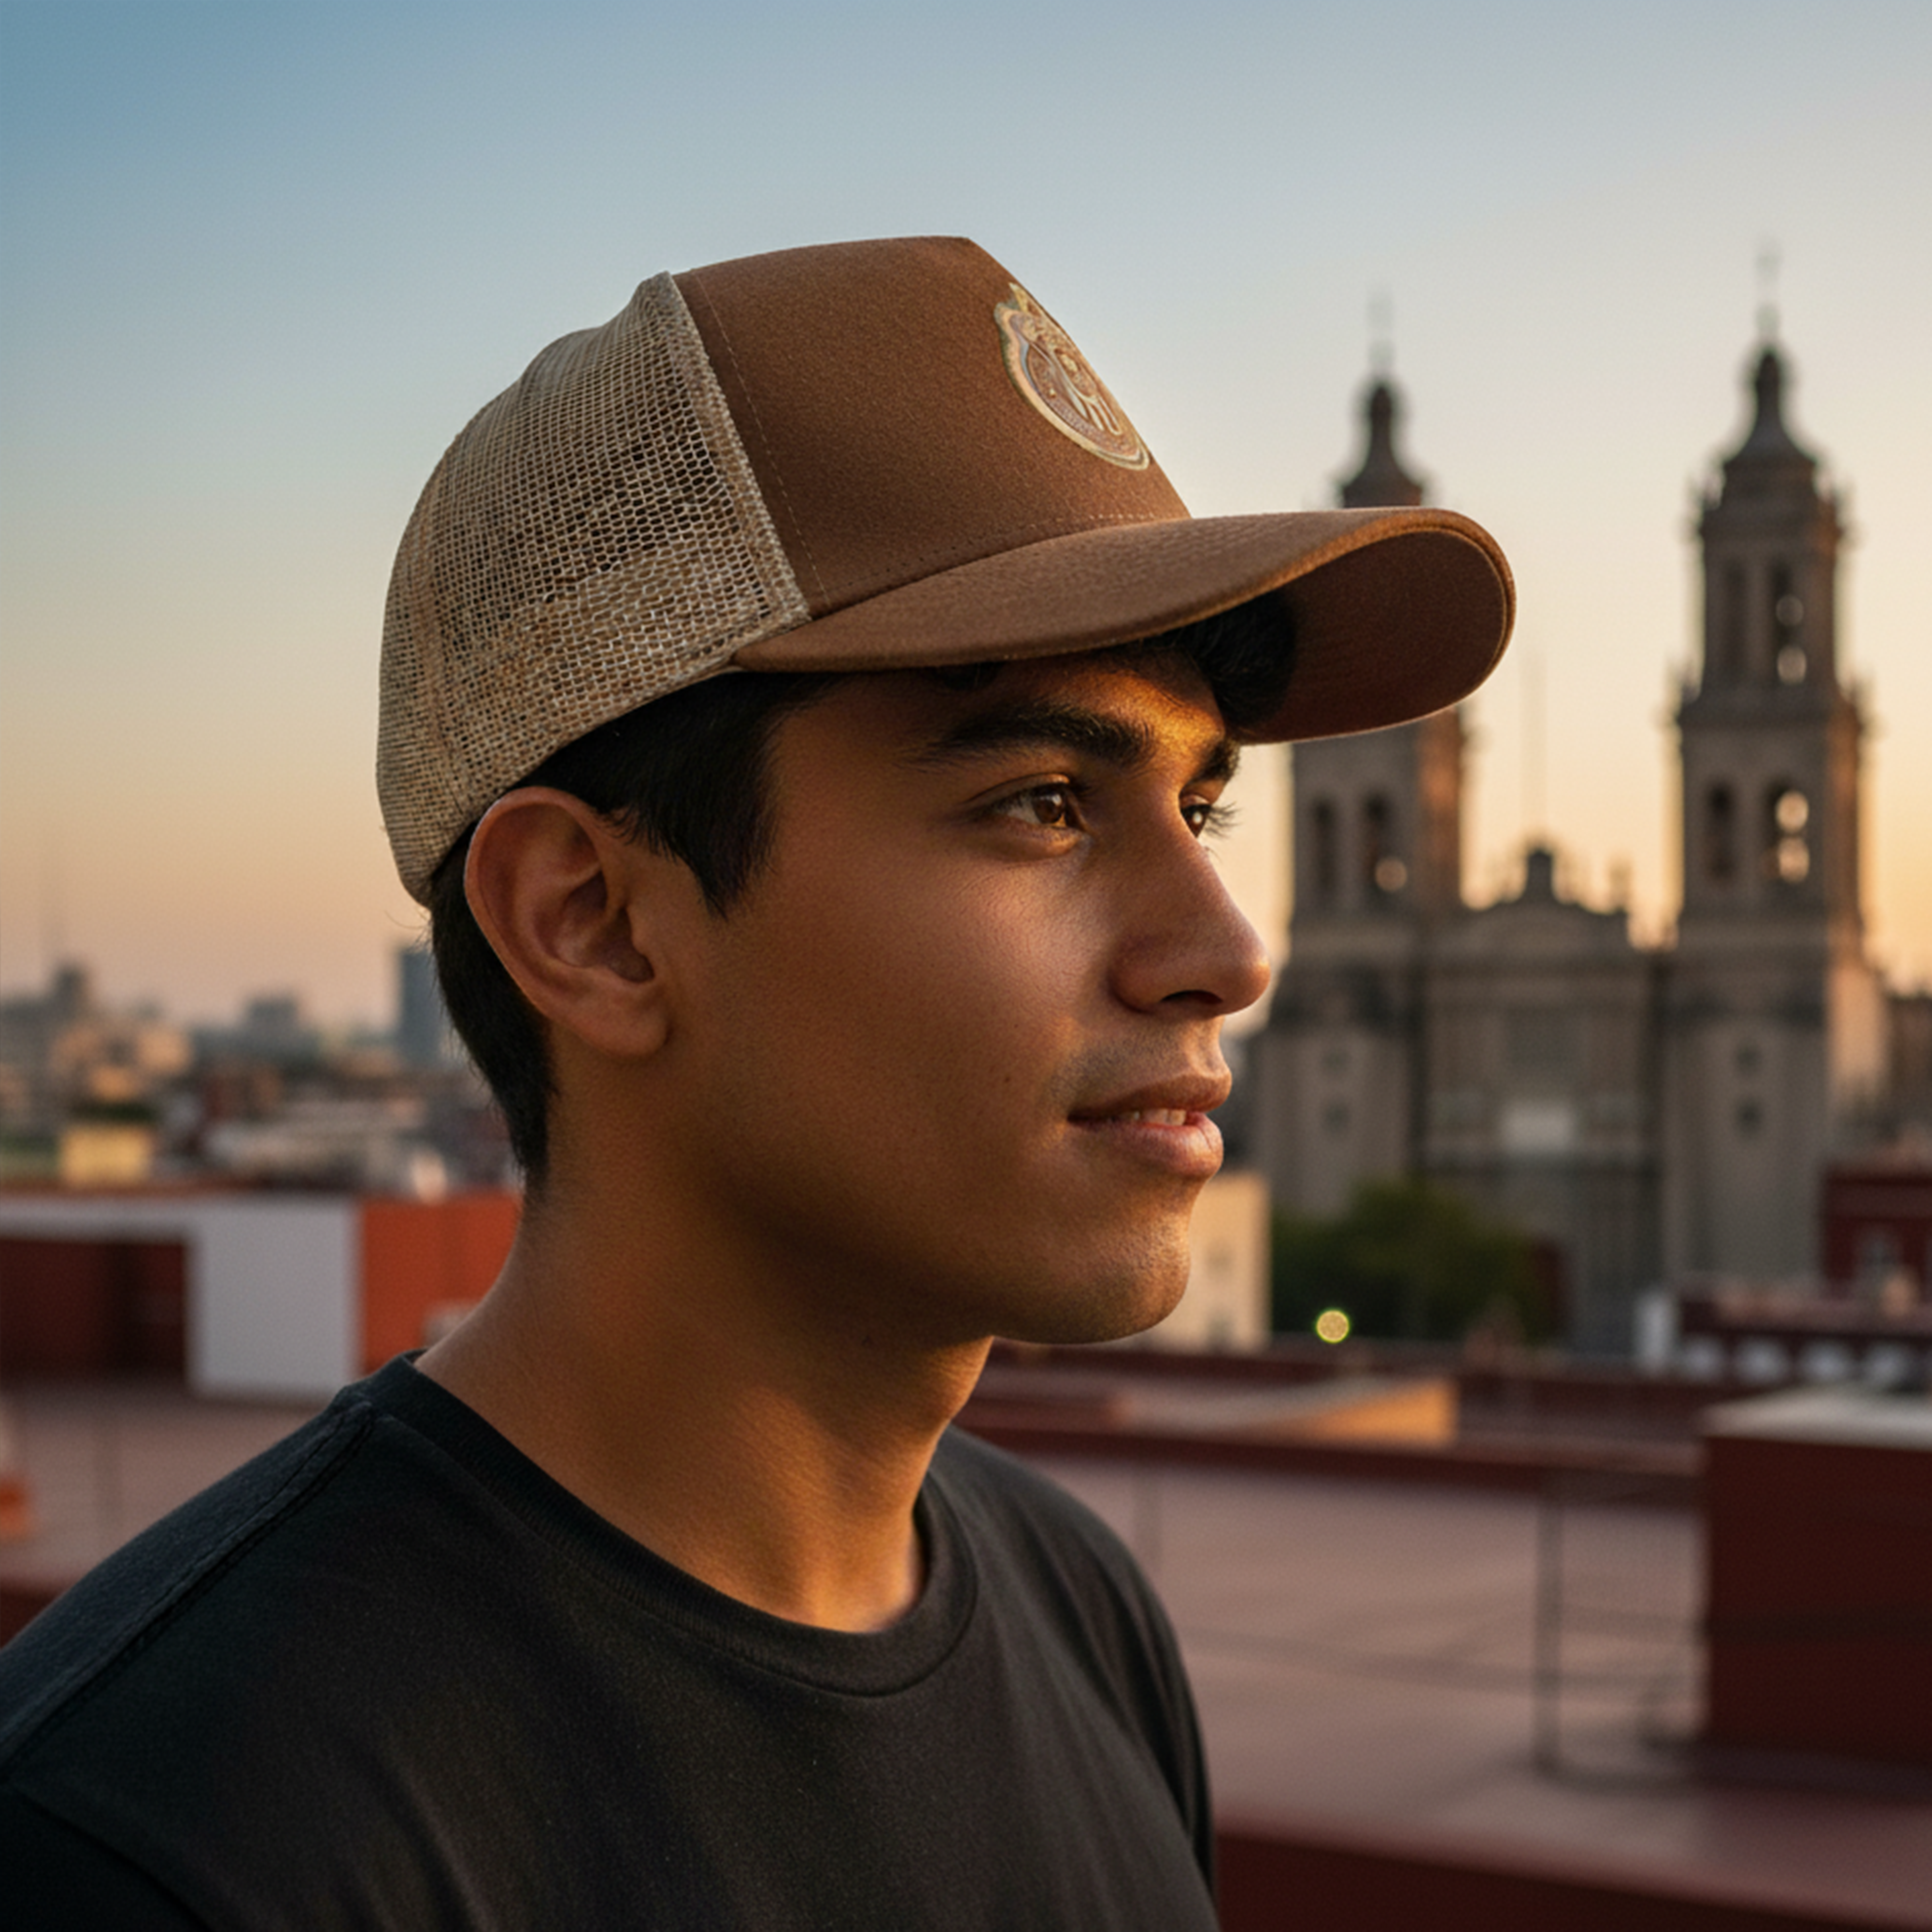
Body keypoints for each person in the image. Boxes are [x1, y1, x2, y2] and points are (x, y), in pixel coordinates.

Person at [0, 236, 1512, 1926]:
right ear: (594, 926)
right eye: (1043, 805)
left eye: (1202, 808)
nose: (1228, 947)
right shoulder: (161, 1845)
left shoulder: (1084, 1613)